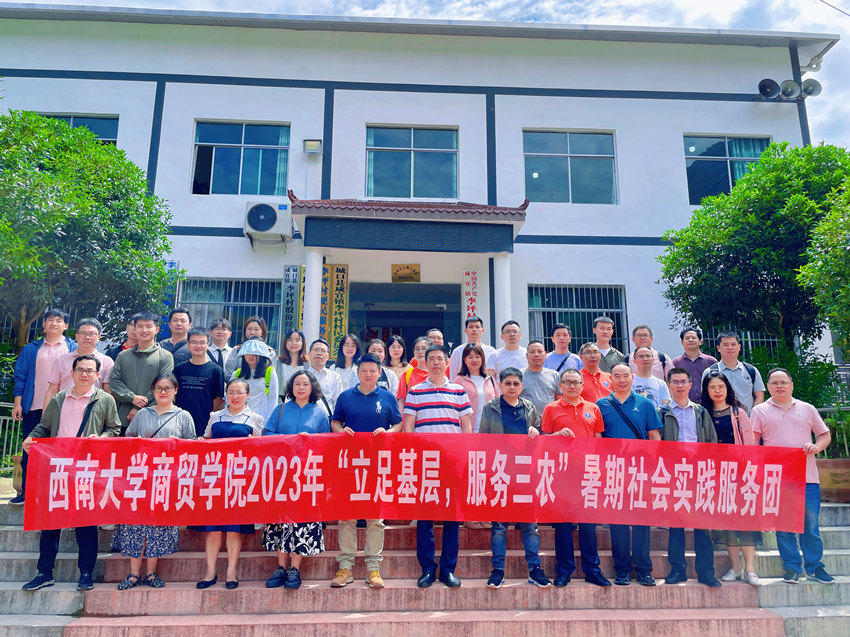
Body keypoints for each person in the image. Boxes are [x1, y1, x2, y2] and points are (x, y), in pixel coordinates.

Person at [20, 354, 121, 591]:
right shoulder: (59, 398)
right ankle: (44, 572)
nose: (84, 374)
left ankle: (85, 573)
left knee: (86, 523)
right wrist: (31, 438)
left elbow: (114, 429)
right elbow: (44, 426)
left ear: (97, 375)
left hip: (87, 469)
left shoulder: (105, 399)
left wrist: (101, 438)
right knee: (50, 522)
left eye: (89, 370)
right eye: (80, 370)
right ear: (72, 373)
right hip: (58, 467)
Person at [751, 368, 835, 585]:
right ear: (768, 387)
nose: (779, 386)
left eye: (783, 382)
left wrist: (816, 447)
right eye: (775, 383)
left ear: (791, 385)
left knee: (810, 525)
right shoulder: (759, 411)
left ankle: (815, 567)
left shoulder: (807, 408)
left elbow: (824, 435)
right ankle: (791, 567)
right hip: (777, 478)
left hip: (807, 477)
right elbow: (754, 443)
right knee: (784, 525)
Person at [114, 373, 196, 590]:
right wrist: (137, 442)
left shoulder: (183, 416)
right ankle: (133, 574)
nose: (163, 392)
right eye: (159, 388)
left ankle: (151, 573)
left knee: (157, 527)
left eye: (168, 388)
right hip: (140, 478)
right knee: (135, 524)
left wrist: (178, 445)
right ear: (153, 391)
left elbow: (192, 445)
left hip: (166, 479)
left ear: (175, 390)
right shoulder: (142, 414)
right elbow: (128, 439)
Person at [330, 354, 403, 589]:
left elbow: (398, 424)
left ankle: (373, 568)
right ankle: (345, 567)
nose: (368, 374)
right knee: (346, 516)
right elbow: (335, 422)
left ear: (379, 373)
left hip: (377, 465)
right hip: (349, 465)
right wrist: (340, 431)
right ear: (358, 372)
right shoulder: (345, 397)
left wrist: (388, 433)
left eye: (373, 370)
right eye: (364, 370)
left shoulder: (387, 397)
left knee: (375, 518)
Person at [403, 345, 472, 589]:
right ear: (425, 361)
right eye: (430, 359)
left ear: (446, 362)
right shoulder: (415, 391)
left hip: (452, 462)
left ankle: (448, 569)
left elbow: (466, 427)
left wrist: (463, 456)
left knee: (452, 517)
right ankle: (427, 569)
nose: (435, 363)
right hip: (426, 462)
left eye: (439, 359)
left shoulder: (459, 391)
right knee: (425, 518)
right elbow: (409, 427)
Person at [479, 367, 550, 588]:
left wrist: (535, 432)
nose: (512, 387)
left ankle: (535, 569)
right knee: (499, 526)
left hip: (525, 473)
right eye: (507, 383)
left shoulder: (529, 407)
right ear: (500, 385)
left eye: (516, 384)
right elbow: (484, 439)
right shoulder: (491, 407)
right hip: (500, 471)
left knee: (530, 526)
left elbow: (538, 434)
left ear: (521, 386)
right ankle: (498, 570)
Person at [193, 378, 264, 590]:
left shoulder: (255, 418)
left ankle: (231, 572)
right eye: (231, 392)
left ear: (248, 395)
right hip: (215, 479)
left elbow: (262, 449)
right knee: (213, 528)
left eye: (240, 392)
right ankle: (210, 572)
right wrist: (201, 441)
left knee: (234, 529)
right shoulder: (215, 416)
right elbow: (206, 439)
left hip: (240, 480)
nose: (235, 396)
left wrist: (254, 444)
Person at [541, 368, 610, 588]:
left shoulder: (593, 408)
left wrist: (598, 468)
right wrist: (556, 436)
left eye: (575, 382)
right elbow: (543, 440)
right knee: (563, 525)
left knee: (588, 525)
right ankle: (564, 570)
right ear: (560, 385)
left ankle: (592, 570)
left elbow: (598, 440)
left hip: (587, 472)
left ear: (582, 385)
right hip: (562, 473)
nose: (572, 386)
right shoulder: (551, 408)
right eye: (567, 382)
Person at [262, 370, 330, 590]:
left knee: (302, 521)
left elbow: (326, 444)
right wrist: (289, 440)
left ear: (312, 388)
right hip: (281, 474)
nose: (301, 388)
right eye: (297, 384)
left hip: (307, 475)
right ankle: (280, 567)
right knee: (280, 520)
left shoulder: (319, 413)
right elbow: (266, 434)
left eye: (305, 384)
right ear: (291, 387)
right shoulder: (280, 409)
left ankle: (295, 569)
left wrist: (310, 442)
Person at [596, 363, 662, 586]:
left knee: (642, 520)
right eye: (617, 376)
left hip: (641, 470)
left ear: (632, 378)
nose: (622, 380)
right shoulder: (601, 405)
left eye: (625, 375)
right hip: (613, 470)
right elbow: (598, 439)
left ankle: (644, 569)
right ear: (611, 379)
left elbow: (654, 436)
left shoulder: (645, 404)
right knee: (618, 523)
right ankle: (622, 569)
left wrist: (652, 466)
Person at [658, 368, 720, 588]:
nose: (680, 386)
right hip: (673, 473)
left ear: (690, 385)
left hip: (699, 473)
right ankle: (677, 570)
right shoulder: (662, 412)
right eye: (675, 382)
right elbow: (656, 443)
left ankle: (706, 572)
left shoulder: (701, 412)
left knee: (702, 525)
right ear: (669, 385)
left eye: (683, 381)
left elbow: (712, 442)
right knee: (676, 525)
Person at [701, 370, 761, 586]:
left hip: (739, 474)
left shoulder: (738, 413)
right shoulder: (703, 413)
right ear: (706, 391)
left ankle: (750, 569)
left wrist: (749, 471)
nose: (717, 391)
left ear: (727, 389)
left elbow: (749, 444)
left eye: (721, 387)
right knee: (726, 524)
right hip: (716, 475)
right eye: (712, 387)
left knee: (745, 521)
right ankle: (735, 568)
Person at [10, 308, 75, 505]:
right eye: (50, 320)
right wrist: (18, 403)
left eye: (59, 320)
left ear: (66, 326)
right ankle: (27, 492)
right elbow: (20, 378)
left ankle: (58, 493)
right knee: (30, 449)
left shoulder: (73, 348)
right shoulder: (31, 349)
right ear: (44, 324)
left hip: (65, 410)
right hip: (35, 407)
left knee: (62, 451)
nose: (54, 323)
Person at [110, 311, 174, 432]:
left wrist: (139, 408)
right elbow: (114, 381)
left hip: (153, 417)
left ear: (156, 329)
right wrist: (132, 397)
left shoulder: (165, 356)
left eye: (148, 326)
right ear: (135, 329)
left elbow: (162, 386)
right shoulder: (123, 356)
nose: (144, 330)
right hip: (123, 417)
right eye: (140, 326)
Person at [43, 318, 113, 409]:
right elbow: (52, 390)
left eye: (92, 334)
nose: (87, 337)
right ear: (76, 336)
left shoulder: (107, 362)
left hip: (93, 412)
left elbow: (108, 391)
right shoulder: (62, 360)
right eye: (83, 333)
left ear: (98, 337)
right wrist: (46, 415)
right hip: (63, 409)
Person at [173, 327, 225, 437]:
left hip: (204, 423)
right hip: (179, 422)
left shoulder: (216, 370)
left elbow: (218, 401)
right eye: (194, 342)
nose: (198, 346)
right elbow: (173, 395)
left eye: (202, 342)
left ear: (208, 344)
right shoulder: (178, 369)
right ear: (188, 344)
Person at [701, 331, 765, 414]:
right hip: (719, 419)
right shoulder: (710, 372)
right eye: (725, 345)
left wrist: (753, 417)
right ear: (718, 348)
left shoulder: (751, 370)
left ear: (739, 347)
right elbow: (705, 398)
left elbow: (759, 396)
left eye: (733, 344)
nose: (730, 348)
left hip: (748, 419)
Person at [452, 342, 499, 434]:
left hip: (490, 431)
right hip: (469, 431)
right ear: (465, 360)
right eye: (470, 357)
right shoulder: (459, 380)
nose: (474, 360)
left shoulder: (490, 380)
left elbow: (498, 403)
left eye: (477, 357)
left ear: (482, 359)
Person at [230, 337, 280, 421]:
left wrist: (267, 423)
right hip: (239, 420)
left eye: (256, 352)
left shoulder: (270, 373)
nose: (251, 355)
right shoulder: (236, 374)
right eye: (248, 352)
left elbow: (273, 401)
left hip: (261, 420)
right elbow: (229, 400)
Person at [672, 327, 717, 403]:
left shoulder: (711, 361)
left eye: (693, 338)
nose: (690, 340)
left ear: (700, 341)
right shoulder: (675, 363)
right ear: (682, 343)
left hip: (709, 404)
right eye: (687, 338)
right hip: (684, 404)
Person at [520, 340, 561, 414]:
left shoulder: (554, 375)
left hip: (549, 418)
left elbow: (559, 399)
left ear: (545, 354)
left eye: (540, 351)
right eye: (532, 352)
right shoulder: (519, 375)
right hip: (526, 418)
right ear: (527, 355)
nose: (536, 355)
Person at [304, 338, 343, 415]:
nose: (319, 353)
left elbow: (338, 403)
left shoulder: (335, 377)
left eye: (323, 351)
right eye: (316, 350)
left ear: (327, 356)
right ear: (309, 353)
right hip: (305, 418)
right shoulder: (301, 376)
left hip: (327, 419)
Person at [396, 336, 431, 412]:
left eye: (424, 348)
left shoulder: (436, 374)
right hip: (411, 416)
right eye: (417, 349)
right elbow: (401, 400)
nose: (420, 352)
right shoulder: (407, 374)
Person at [275, 328, 307, 400]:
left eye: (297, 340)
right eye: (290, 340)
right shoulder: (278, 363)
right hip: (282, 401)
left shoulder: (307, 365)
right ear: (285, 342)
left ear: (302, 343)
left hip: (302, 401)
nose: (293, 343)